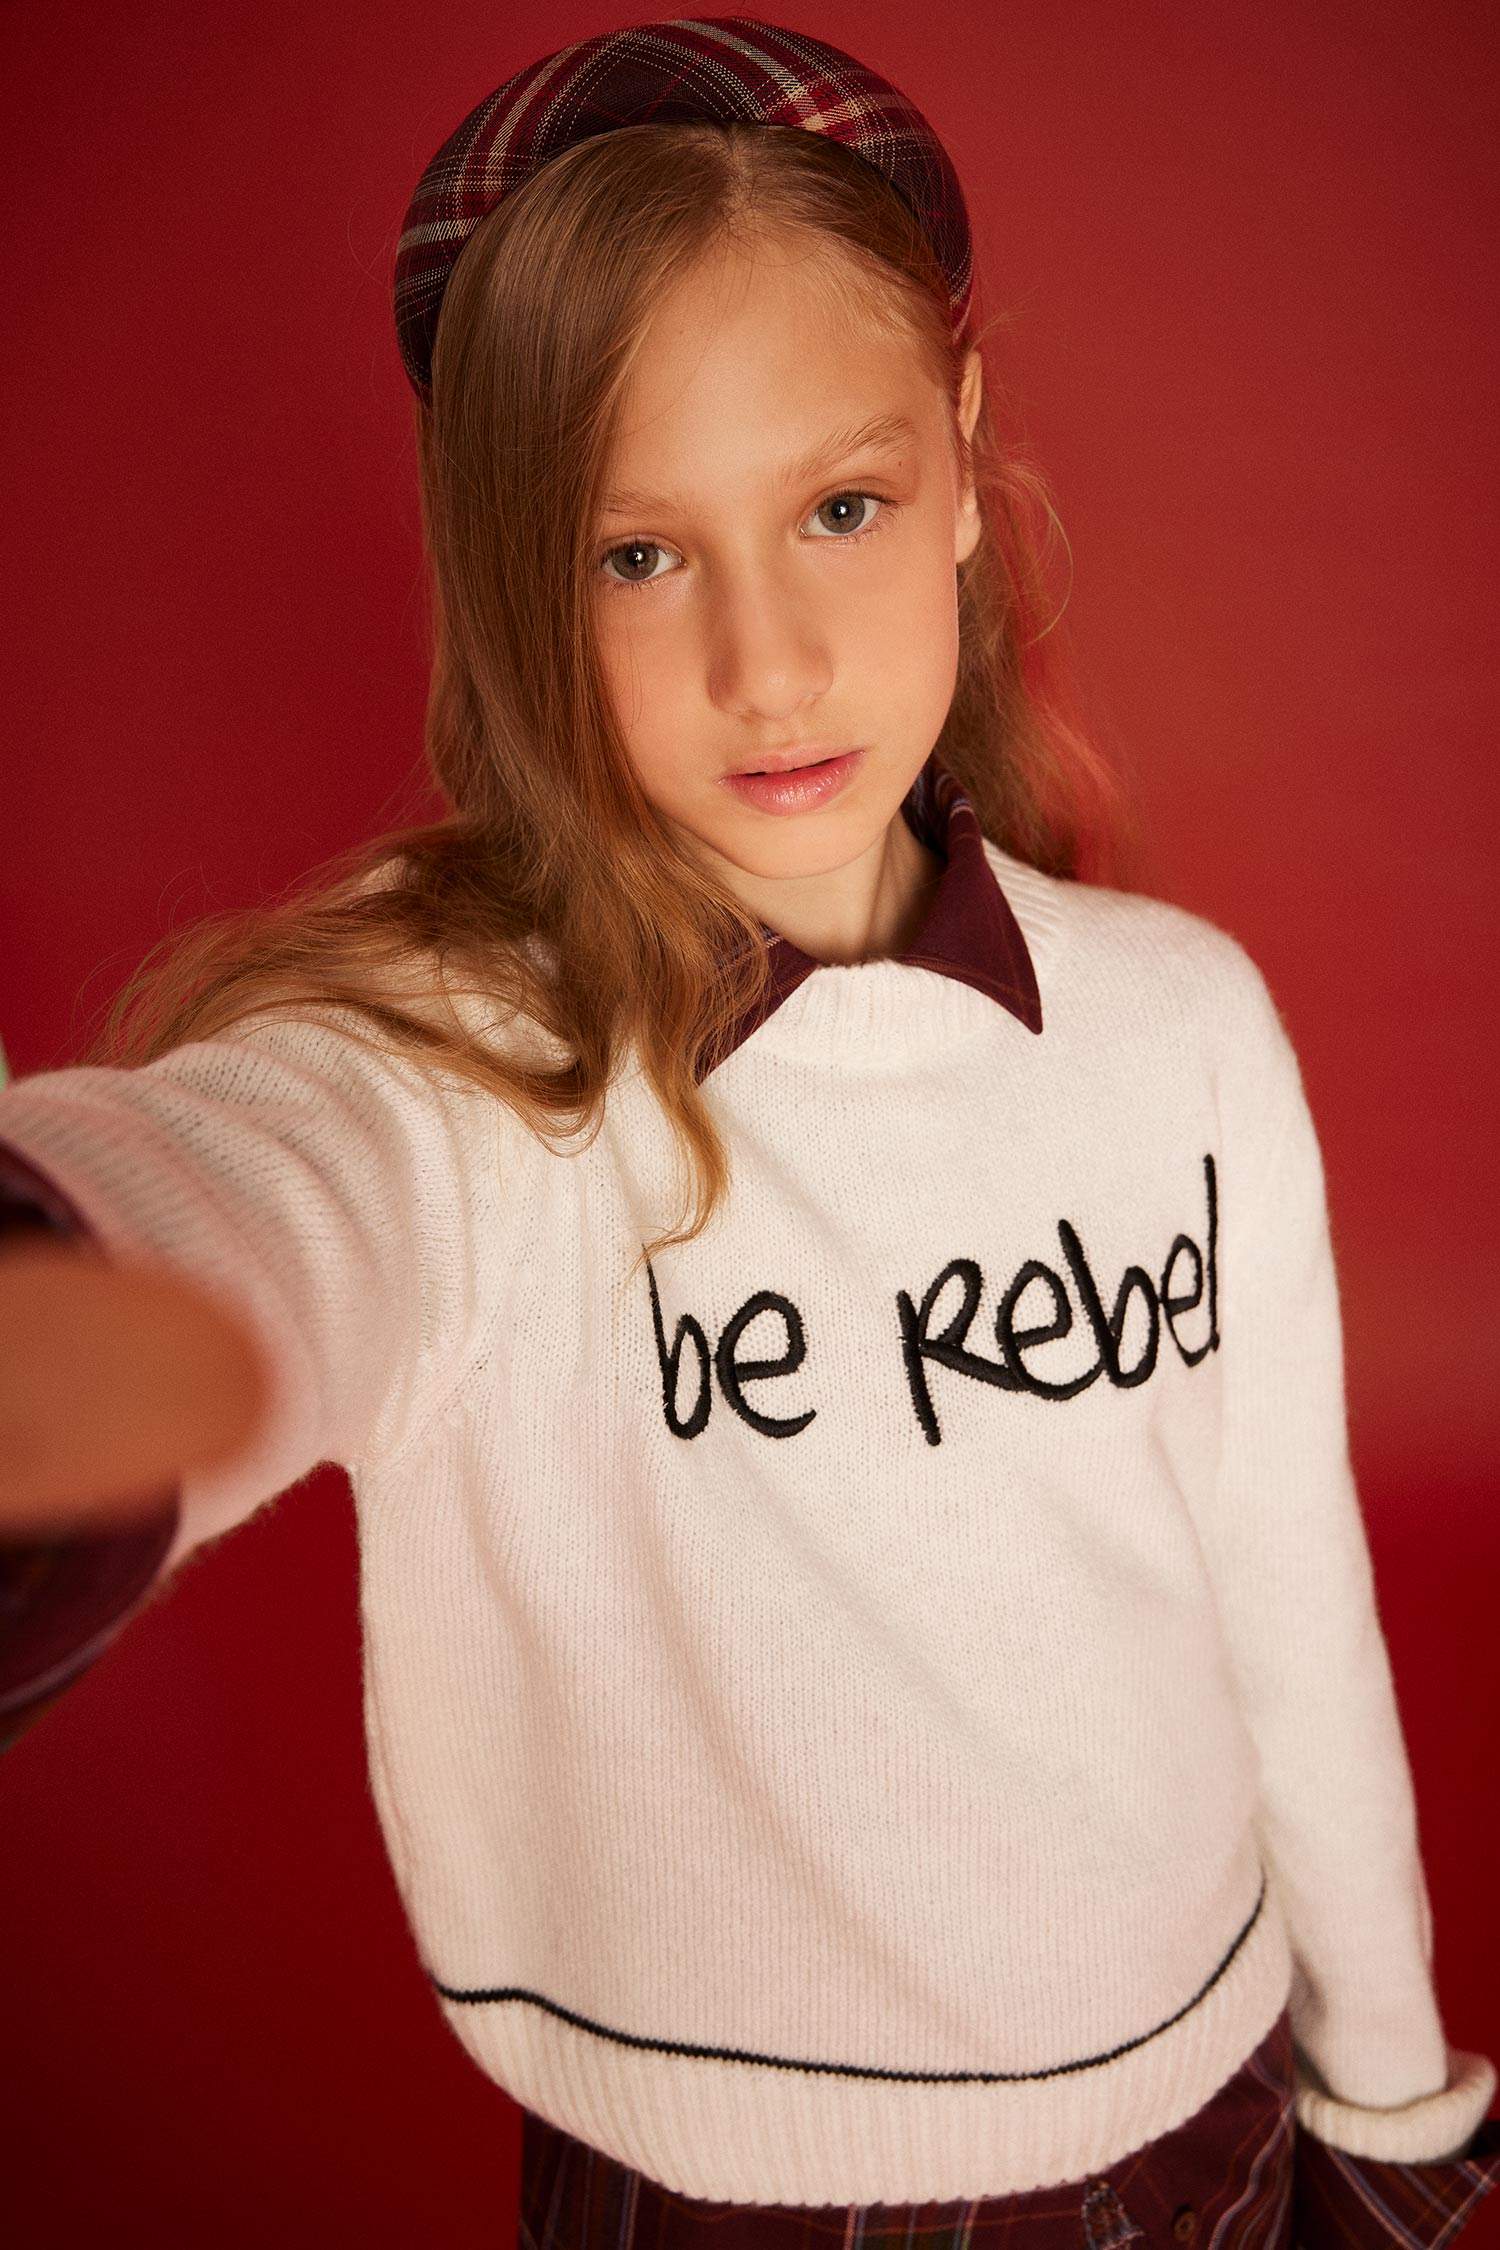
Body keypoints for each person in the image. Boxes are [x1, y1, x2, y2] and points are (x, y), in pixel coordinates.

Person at [0, 16, 1495, 2245]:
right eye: (638, 555)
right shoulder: (460, 1078)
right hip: (718, 2194)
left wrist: (1384, 2090)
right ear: (519, 569)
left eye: (840, 508)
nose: (766, 664)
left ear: (962, 458)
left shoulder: (1183, 1025)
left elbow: (1292, 1595)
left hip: (1212, 2115)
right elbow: (256, 1203)